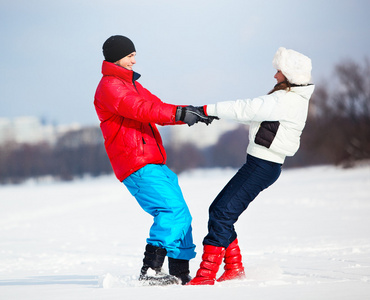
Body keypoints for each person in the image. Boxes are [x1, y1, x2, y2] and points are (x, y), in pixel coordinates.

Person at [187, 47, 315, 285]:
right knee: (219, 210)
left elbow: (245, 107)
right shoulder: (289, 99)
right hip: (262, 164)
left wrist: (206, 109)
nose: (275, 76)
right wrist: (216, 115)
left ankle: (206, 275)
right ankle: (233, 267)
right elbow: (252, 115)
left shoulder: (284, 99)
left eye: (279, 71)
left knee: (222, 212)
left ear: (290, 75)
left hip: (263, 165)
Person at [94, 35, 215, 285]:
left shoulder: (131, 85)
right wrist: (181, 113)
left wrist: (192, 111)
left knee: (182, 214)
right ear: (117, 56)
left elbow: (158, 106)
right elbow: (142, 109)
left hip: (153, 161)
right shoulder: (110, 87)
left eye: (134, 55)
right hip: (136, 163)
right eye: (130, 56)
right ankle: (150, 271)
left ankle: (180, 273)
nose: (134, 61)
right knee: (170, 210)